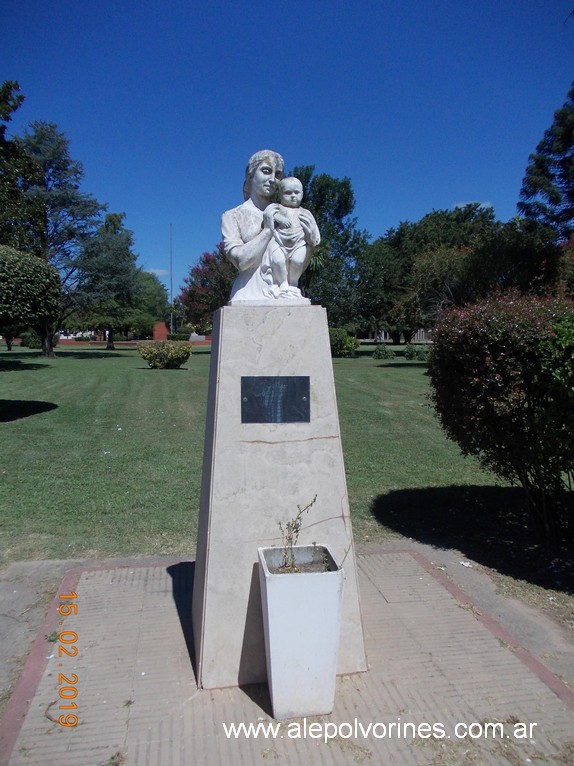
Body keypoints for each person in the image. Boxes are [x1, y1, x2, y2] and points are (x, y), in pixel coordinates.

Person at [221, 150, 319, 302]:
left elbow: (295, 266)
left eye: (278, 174)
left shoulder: (289, 213)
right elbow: (241, 262)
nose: (273, 179)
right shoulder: (232, 216)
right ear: (251, 175)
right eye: (266, 171)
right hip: (249, 294)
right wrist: (268, 230)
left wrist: (310, 243)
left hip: (287, 293)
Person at [267, 177, 320, 298]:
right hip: (279, 240)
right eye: (288, 193)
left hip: (299, 242)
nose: (293, 196)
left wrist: (310, 232)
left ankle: (293, 284)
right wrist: (277, 217)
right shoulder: (276, 207)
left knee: (297, 261)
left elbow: (315, 235)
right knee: (278, 261)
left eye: (296, 192)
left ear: (302, 193)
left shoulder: (305, 212)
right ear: (280, 194)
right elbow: (267, 215)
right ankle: (283, 283)